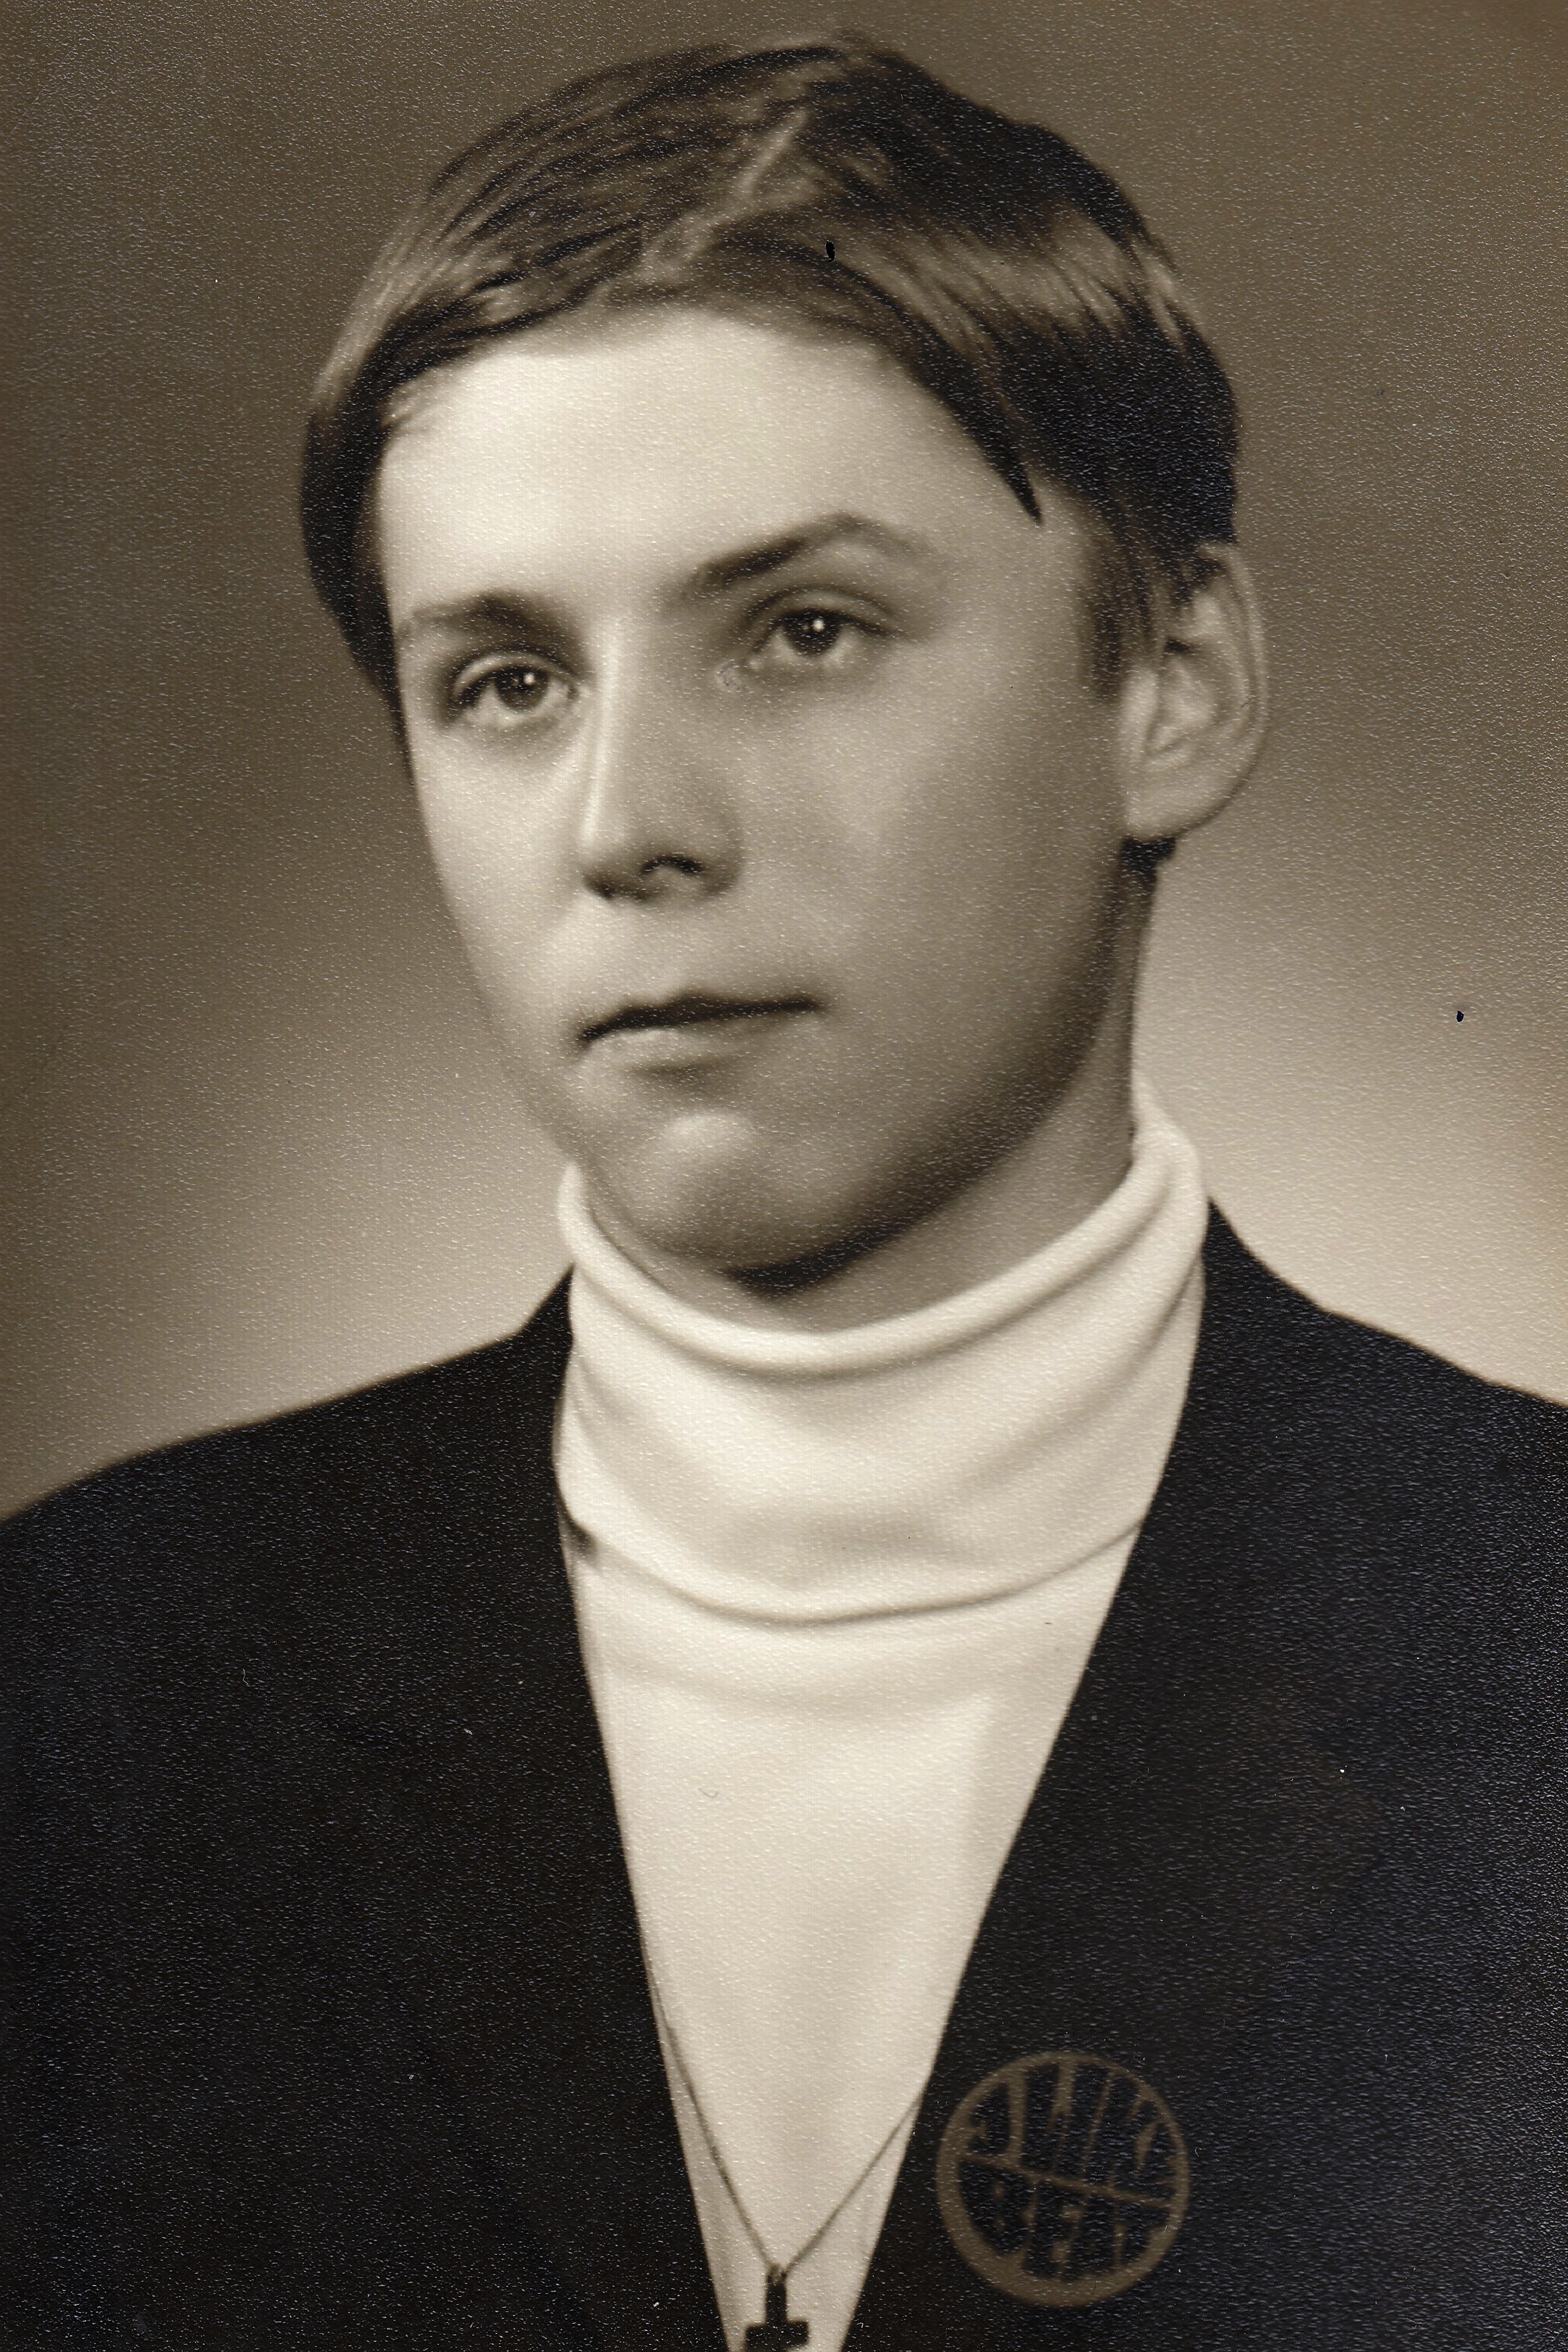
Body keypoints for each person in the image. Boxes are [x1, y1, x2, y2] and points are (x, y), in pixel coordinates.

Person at [3, 33, 1563, 2351]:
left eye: (802, 630)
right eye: (505, 679)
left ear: (1173, 685)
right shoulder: (85, 1688)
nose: (630, 821)